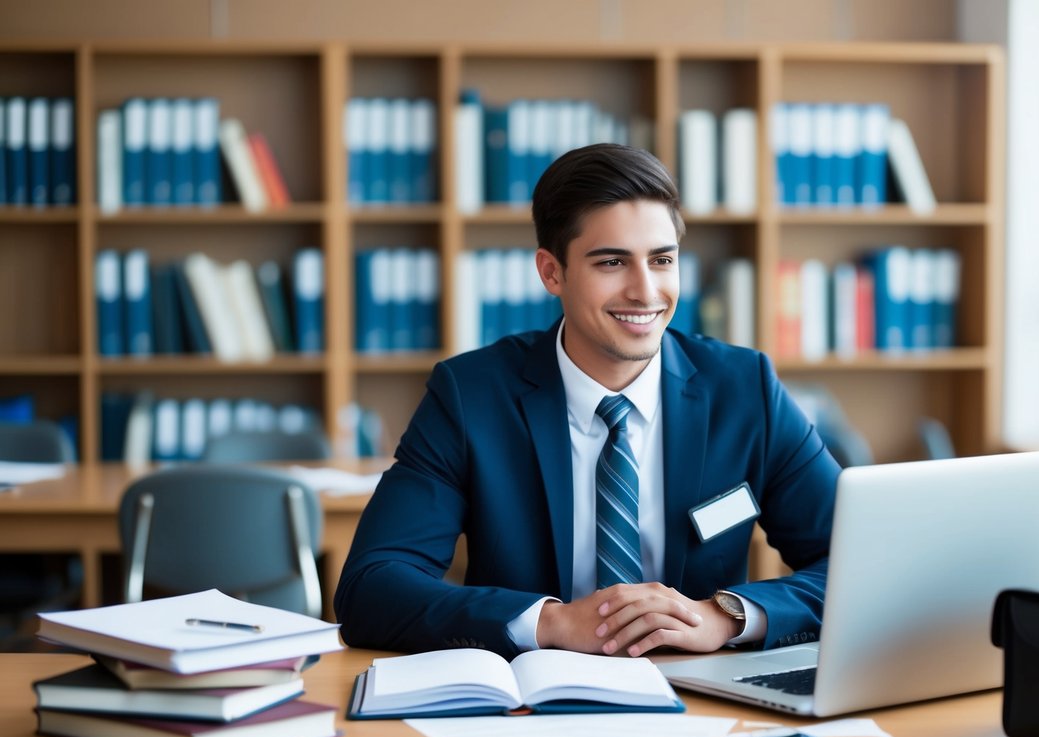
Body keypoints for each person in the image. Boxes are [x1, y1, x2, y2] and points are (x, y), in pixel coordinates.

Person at [335, 143, 840, 659]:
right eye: (612, 262)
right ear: (552, 273)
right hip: (530, 706)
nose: (646, 292)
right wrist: (551, 622)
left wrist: (725, 616)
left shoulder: (744, 388)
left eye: (662, 260)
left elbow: (858, 562)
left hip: (703, 695)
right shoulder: (471, 396)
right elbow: (372, 586)